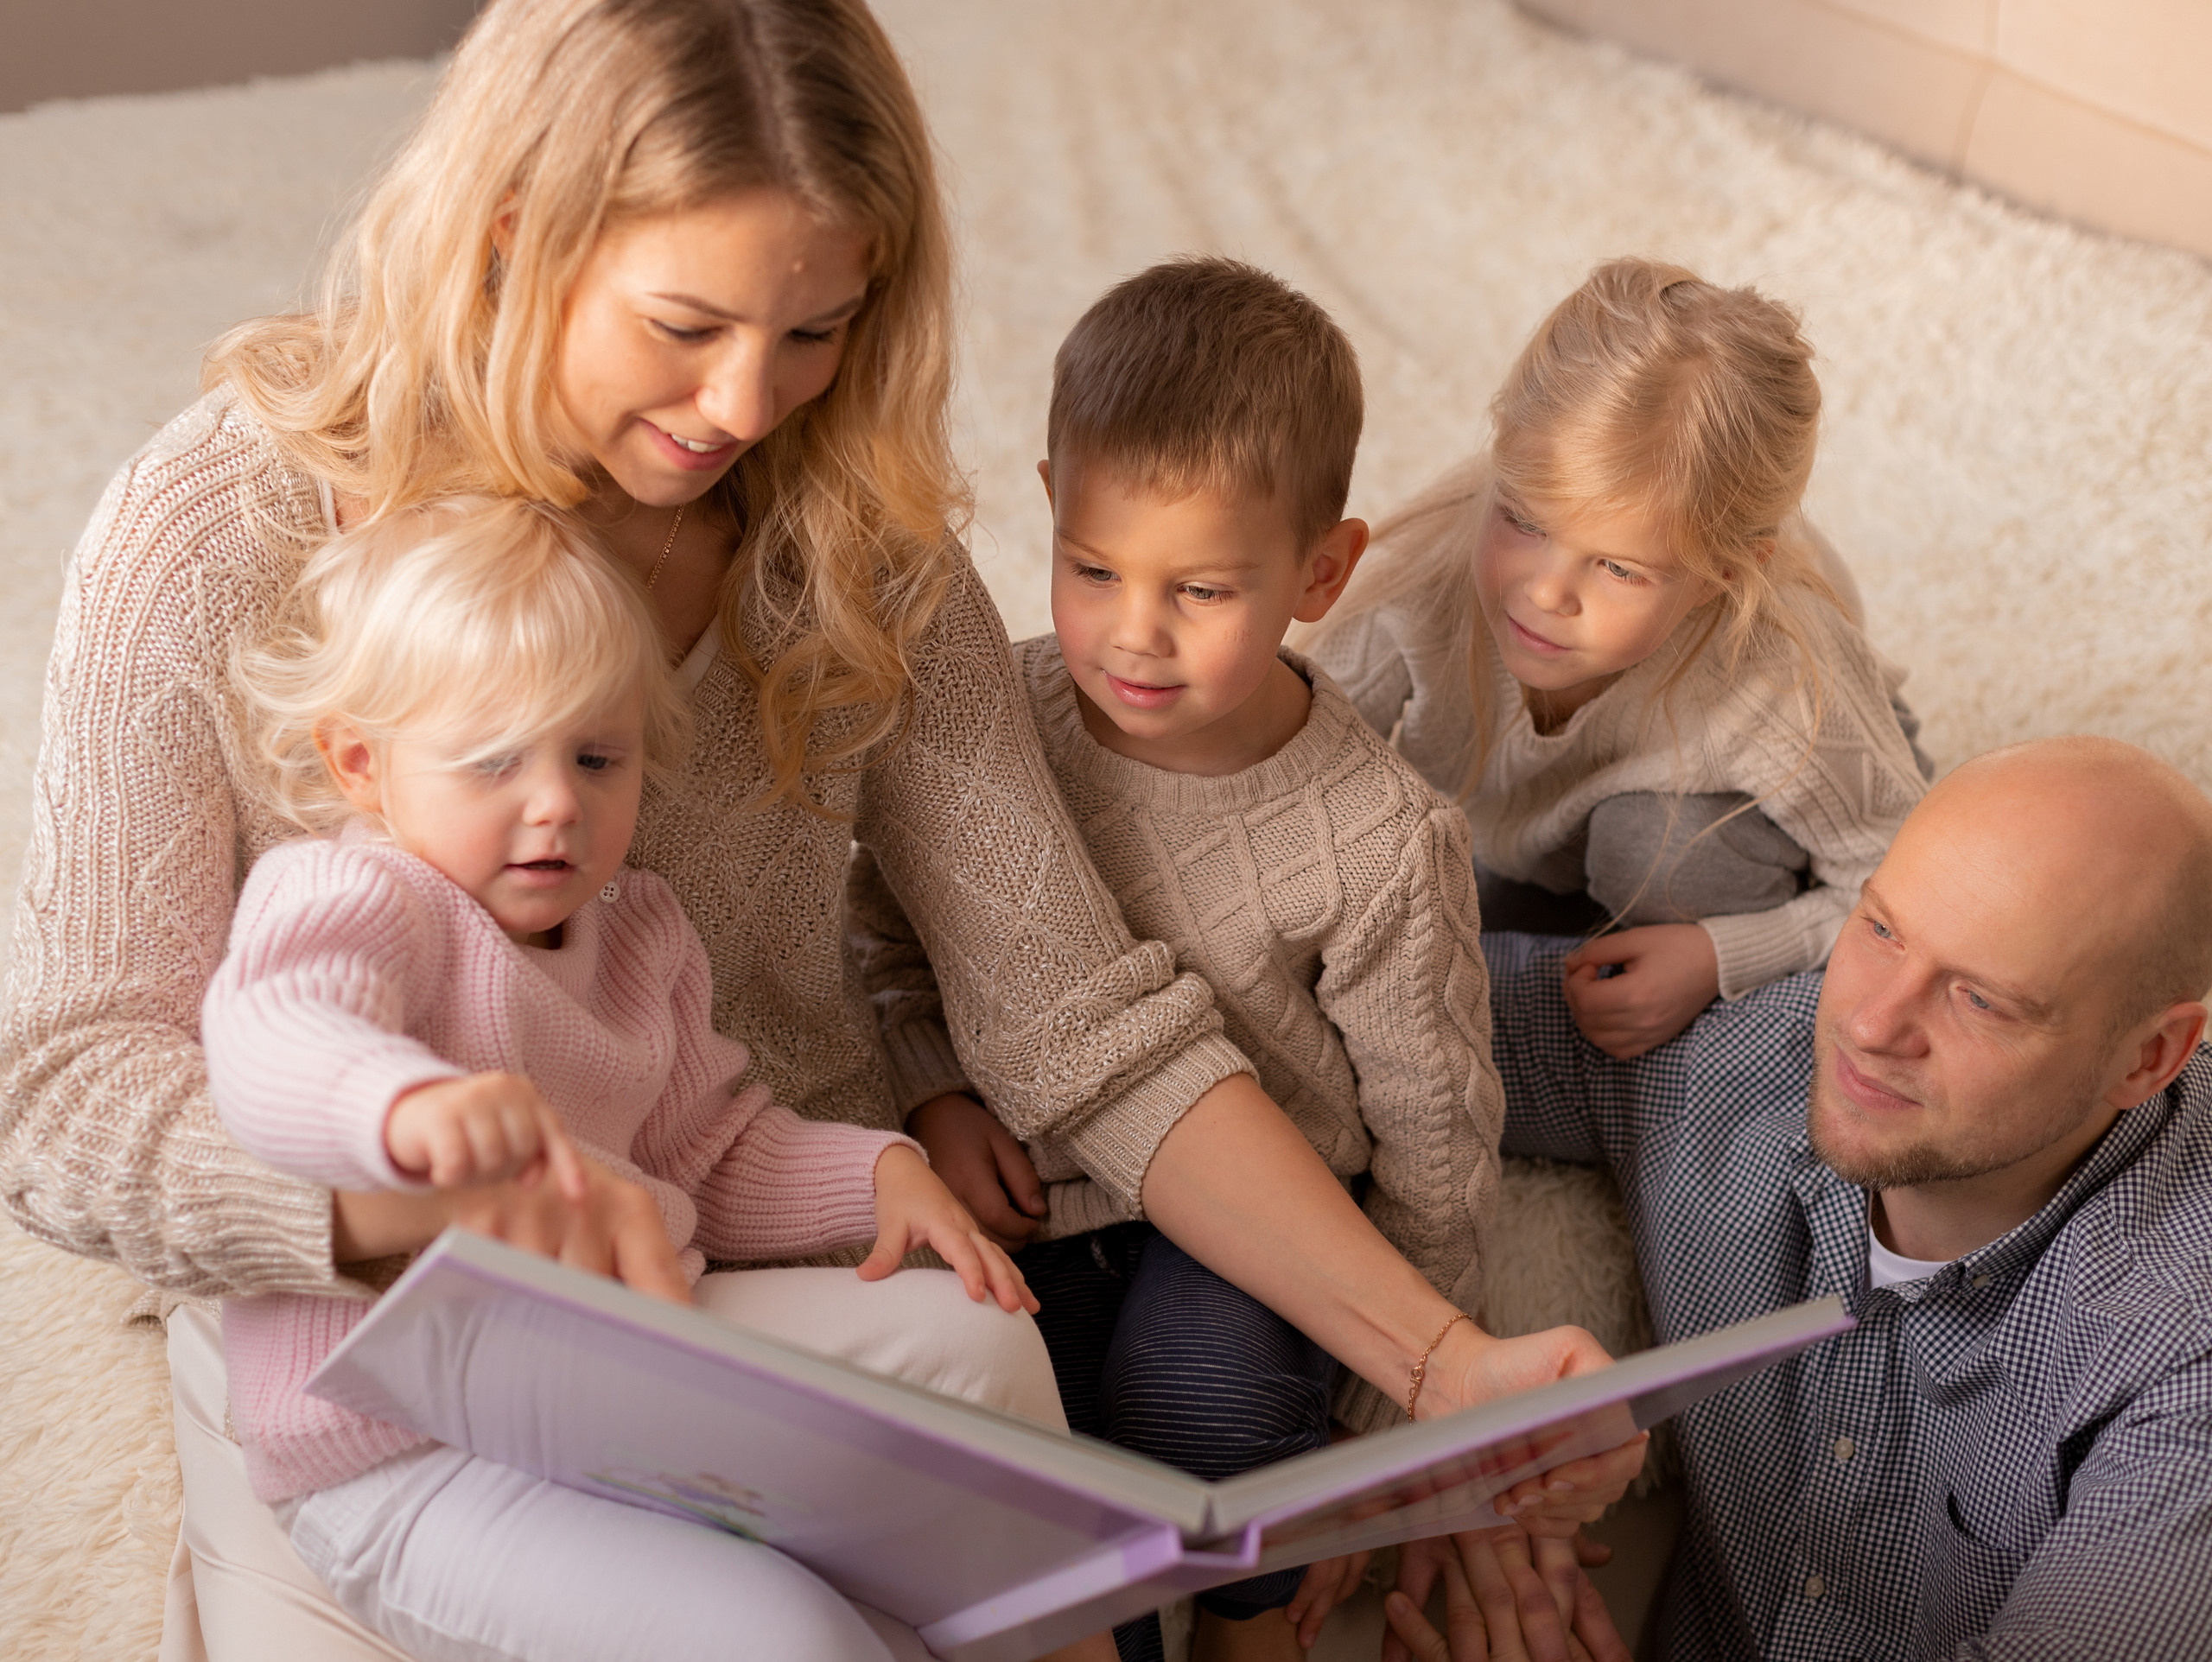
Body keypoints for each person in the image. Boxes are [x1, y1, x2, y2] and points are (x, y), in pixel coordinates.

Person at [0, 2, 1636, 1654]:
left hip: (740, 1256)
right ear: (513, 236)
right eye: (685, 323)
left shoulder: (857, 548)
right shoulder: (221, 526)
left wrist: (1442, 1368)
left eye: (814, 331)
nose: (741, 402)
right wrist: (397, 1210)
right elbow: (66, 1091)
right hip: (368, 1331)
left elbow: (1085, 1021)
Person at [204, 496, 1058, 1658]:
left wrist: (879, 1172)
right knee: (785, 1637)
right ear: (362, 763)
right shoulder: (354, 896)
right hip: (404, 1455)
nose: (556, 802)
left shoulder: (640, 931)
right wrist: (400, 1105)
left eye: (595, 756)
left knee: (983, 1342)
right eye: (494, 759)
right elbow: (276, 1039)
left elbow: (710, 1148)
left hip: (612, 1386)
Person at [849, 257, 1512, 1661]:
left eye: (1201, 589)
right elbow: (883, 934)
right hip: (1027, 1193)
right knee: (1010, 1443)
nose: (1131, 633)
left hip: (1252, 1219)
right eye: (1091, 569)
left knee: (1200, 1398)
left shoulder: (1384, 839)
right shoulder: (999, 711)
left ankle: (1248, 1611)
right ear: (1044, 502)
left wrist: (1381, 1420)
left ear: (1322, 571)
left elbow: (1438, 1145)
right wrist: (932, 1095)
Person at [1389, 735, 2212, 1661]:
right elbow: (1358, 1018)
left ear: (2147, 1057)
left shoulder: (2180, 1342)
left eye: (1979, 1000)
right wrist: (1425, 1372)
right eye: (1880, 928)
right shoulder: (1735, 1059)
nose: (1866, 1024)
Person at [1302, 258, 1931, 1061]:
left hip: (1796, 781)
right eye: (1523, 521)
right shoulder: (1423, 577)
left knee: (1656, 854)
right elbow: (1286, 775)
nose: (1545, 593)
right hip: (1544, 818)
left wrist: (1718, 958)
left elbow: (1903, 891)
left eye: (1619, 569)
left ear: (1720, 579)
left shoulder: (1778, 684)